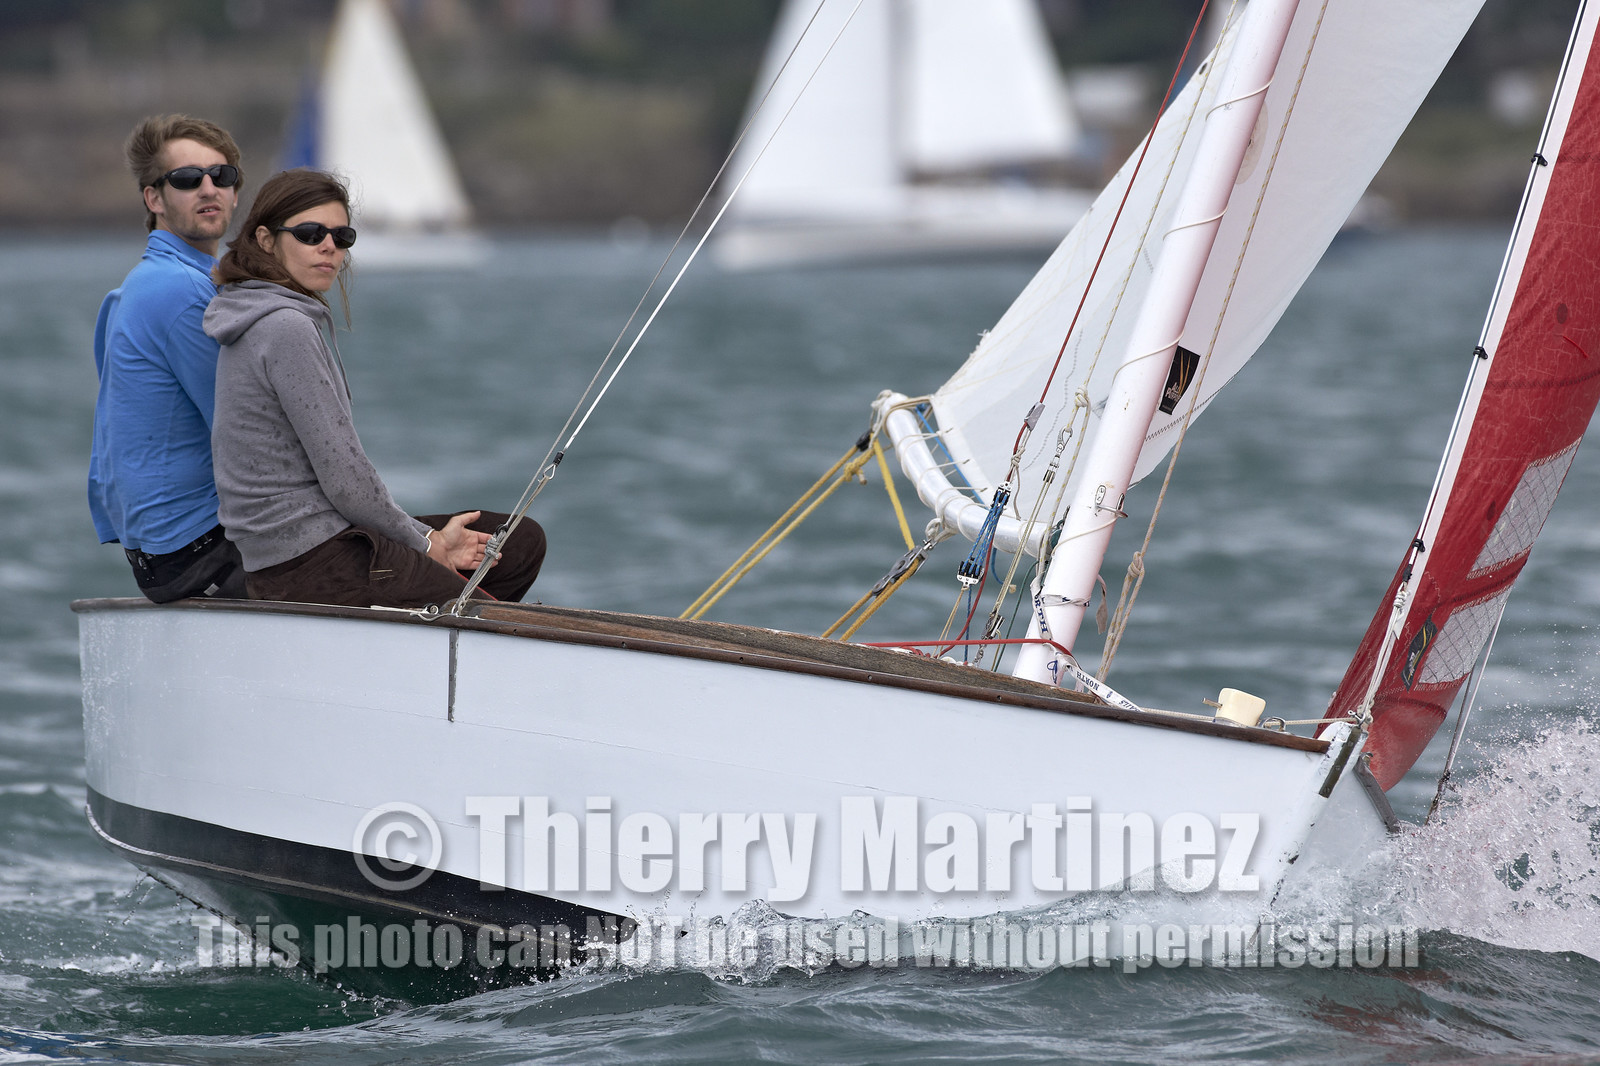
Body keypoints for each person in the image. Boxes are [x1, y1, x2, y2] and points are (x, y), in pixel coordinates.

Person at [205, 168, 545, 607]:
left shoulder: (270, 316)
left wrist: (427, 537)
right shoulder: (284, 327)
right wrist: (427, 546)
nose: (329, 246)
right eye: (310, 233)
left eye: (341, 236)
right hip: (307, 563)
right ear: (267, 240)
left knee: (517, 545)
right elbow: (346, 482)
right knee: (482, 613)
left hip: (320, 543)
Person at [89, 114, 250, 602]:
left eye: (221, 176)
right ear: (154, 198)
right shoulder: (181, 290)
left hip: (162, 552)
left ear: (236, 192)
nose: (208, 189)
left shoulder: (138, 285)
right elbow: (248, 431)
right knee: (399, 560)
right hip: (196, 551)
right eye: (186, 179)